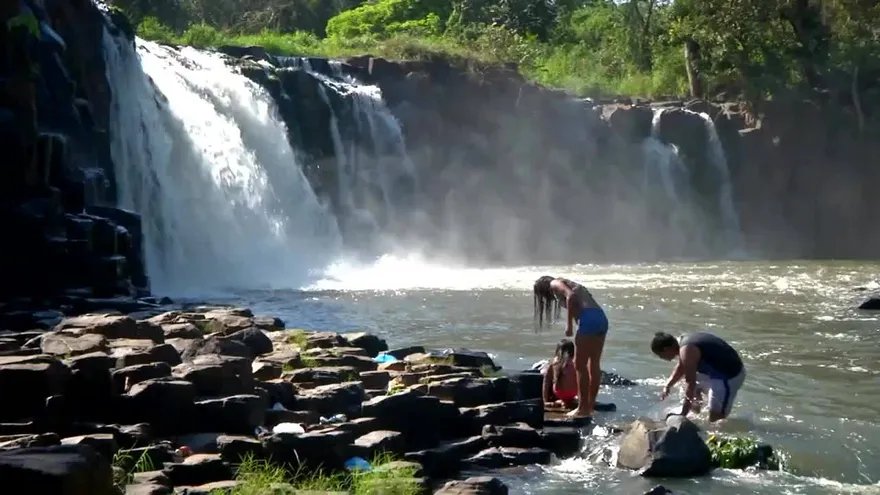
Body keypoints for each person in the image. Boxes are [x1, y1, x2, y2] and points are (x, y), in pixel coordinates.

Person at [533, 275, 609, 418]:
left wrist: (569, 326)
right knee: (594, 364)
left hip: (588, 320)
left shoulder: (555, 283)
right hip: (601, 318)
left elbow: (571, 296)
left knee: (579, 365)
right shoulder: (573, 284)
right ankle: (590, 405)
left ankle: (582, 408)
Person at [651, 331, 747, 423]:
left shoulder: (687, 349)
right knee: (693, 386)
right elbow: (681, 367)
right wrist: (668, 385)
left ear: (666, 349)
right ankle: (695, 413)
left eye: (660, 355)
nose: (661, 358)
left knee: (715, 417)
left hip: (728, 376)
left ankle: (717, 433)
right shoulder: (682, 342)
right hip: (713, 372)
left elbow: (690, 383)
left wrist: (683, 414)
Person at [542, 339, 578, 408]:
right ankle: (567, 401)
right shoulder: (575, 363)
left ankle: (562, 401)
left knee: (548, 379)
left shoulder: (553, 363)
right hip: (573, 393)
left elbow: (546, 381)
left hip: (558, 392)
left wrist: (545, 400)